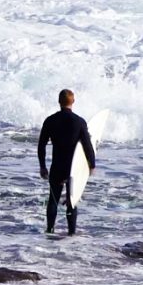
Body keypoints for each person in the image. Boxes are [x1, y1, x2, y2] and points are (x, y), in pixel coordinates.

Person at [37, 88, 95, 235]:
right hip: (73, 168)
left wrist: (42, 166)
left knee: (53, 199)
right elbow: (88, 146)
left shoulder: (50, 120)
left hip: (57, 165)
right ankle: (71, 233)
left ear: (59, 102)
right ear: (73, 101)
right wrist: (91, 164)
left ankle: (50, 230)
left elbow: (41, 145)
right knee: (72, 201)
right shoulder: (80, 122)